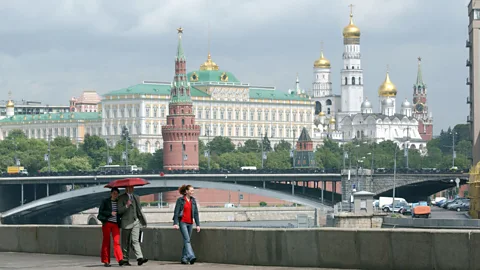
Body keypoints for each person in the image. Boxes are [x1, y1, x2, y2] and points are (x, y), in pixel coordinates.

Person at [117, 186, 148, 266]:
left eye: (132, 187)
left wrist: (142, 220)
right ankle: (125, 259)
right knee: (125, 242)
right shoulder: (121, 198)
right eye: (130, 187)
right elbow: (119, 211)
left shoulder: (136, 197)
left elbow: (139, 209)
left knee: (135, 240)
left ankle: (140, 258)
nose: (132, 189)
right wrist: (127, 205)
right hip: (126, 223)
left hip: (136, 221)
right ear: (126, 188)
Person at [97, 187, 125, 267]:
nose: (115, 195)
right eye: (114, 193)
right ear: (111, 193)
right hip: (107, 224)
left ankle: (120, 259)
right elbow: (101, 212)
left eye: (117, 194)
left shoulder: (119, 202)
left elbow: (121, 212)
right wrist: (110, 213)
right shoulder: (105, 201)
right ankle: (106, 261)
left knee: (117, 242)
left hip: (115, 224)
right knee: (106, 242)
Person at [173, 184, 200, 265]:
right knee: (187, 240)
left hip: (190, 223)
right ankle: (191, 256)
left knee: (186, 241)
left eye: (193, 190)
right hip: (183, 222)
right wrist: (175, 223)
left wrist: (198, 224)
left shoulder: (193, 200)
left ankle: (184, 258)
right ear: (186, 191)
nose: (192, 192)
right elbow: (176, 212)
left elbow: (196, 213)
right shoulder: (180, 200)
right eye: (191, 190)